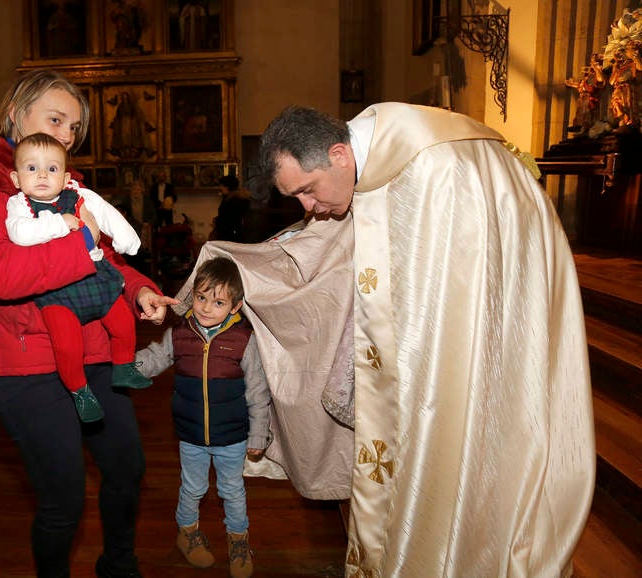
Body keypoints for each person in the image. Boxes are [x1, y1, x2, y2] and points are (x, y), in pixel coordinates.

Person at [186, 103, 595, 576]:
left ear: (339, 155)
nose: (307, 207)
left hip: (474, 348)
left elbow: (454, 305)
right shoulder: (369, 166)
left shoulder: (435, 169)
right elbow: (318, 246)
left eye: (307, 190)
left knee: (458, 446)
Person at [0, 68, 178, 578]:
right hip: (25, 365)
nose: (68, 135)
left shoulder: (66, 182)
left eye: (74, 127)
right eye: (56, 120)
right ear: (15, 114)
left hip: (92, 351)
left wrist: (138, 289)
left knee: (127, 469)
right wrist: (83, 242)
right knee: (64, 499)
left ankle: (118, 565)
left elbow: (106, 257)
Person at [135, 257, 270, 578]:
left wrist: (258, 434)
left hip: (232, 437)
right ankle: (187, 533)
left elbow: (257, 391)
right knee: (192, 488)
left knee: (232, 490)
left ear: (235, 307)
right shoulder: (180, 335)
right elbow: (154, 358)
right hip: (191, 435)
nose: (207, 308)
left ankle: (238, 541)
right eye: (201, 298)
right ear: (192, 295)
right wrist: (123, 367)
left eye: (219, 302)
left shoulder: (244, 340)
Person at [6, 132, 152, 423]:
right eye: (32, 168)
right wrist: (60, 223)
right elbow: (19, 234)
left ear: (65, 177)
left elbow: (107, 214)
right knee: (67, 345)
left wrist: (127, 240)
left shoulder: (78, 195)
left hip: (95, 275)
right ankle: (80, 391)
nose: (42, 175)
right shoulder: (18, 205)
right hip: (56, 288)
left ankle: (124, 365)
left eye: (52, 168)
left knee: (123, 321)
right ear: (16, 178)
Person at [210, 175, 250, 242]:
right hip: (230, 233)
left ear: (228, 186)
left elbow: (231, 219)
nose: (220, 187)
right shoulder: (228, 198)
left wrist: (218, 222)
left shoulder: (235, 200)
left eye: (222, 185)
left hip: (231, 235)